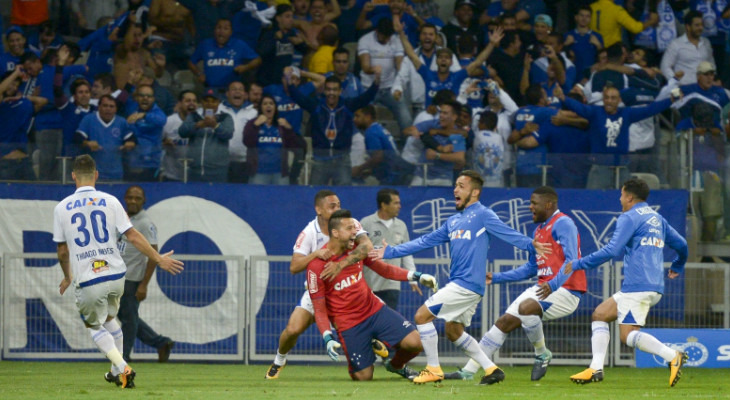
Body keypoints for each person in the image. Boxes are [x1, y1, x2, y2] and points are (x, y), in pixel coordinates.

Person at [369, 170, 549, 384]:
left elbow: (507, 233)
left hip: (466, 285)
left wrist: (530, 244)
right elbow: (425, 241)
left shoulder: (483, 215)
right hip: (466, 285)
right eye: (455, 185)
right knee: (453, 331)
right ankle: (492, 369)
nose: (455, 189)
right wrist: (389, 252)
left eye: (461, 186)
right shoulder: (453, 221)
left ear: (475, 192)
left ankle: (433, 368)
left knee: (421, 316)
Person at [53, 155, 183, 389]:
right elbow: (132, 235)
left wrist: (66, 275)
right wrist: (158, 258)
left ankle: (123, 366)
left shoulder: (61, 207)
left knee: (93, 325)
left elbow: (62, 251)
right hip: (116, 276)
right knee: (111, 320)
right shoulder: (111, 201)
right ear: (96, 175)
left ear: (72, 176)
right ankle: (116, 373)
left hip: (88, 277)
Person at [445, 186, 585, 381]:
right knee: (504, 322)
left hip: (567, 290)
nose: (530, 207)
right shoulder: (539, 230)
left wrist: (553, 284)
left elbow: (571, 262)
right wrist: (496, 277)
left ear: (549, 204)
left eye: (534, 203)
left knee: (526, 308)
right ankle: (468, 372)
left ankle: (542, 353)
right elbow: (530, 268)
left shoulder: (564, 223)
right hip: (545, 288)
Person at [566, 178, 689, 387]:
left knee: (628, 336)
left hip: (638, 286)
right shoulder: (657, 218)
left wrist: (579, 263)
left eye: (622, 194)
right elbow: (682, 244)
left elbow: (612, 250)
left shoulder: (629, 217)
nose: (620, 198)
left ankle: (672, 355)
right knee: (600, 314)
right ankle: (595, 368)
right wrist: (677, 266)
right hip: (652, 286)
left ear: (629, 197)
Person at [307, 209, 437, 380]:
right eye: (349, 229)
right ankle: (368, 343)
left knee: (415, 343)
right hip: (349, 324)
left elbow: (385, 269)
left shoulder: (356, 252)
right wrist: (327, 337)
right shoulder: (317, 266)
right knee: (363, 377)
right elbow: (319, 307)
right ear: (335, 233)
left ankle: (396, 365)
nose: (355, 232)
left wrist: (416, 276)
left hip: (374, 311)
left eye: (354, 228)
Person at [266, 190, 380, 379]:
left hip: (345, 289)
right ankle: (279, 360)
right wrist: (315, 254)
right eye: (332, 206)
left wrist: (342, 263)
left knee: (359, 326)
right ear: (318, 209)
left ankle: (378, 349)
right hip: (317, 291)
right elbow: (294, 267)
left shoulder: (350, 223)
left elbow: (367, 246)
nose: (338, 209)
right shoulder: (309, 232)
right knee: (293, 329)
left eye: (338, 204)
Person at [287, 73, 379, 186]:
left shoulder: (347, 106)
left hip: (341, 160)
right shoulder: (316, 105)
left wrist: (376, 84)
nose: (331, 93)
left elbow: (365, 98)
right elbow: (299, 98)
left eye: (335, 90)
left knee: (344, 195)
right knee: (316, 195)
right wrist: (290, 83)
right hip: (320, 160)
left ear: (340, 91)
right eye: (329, 89)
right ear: (324, 91)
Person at [117, 186, 175, 362]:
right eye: (130, 197)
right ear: (125, 199)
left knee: (128, 318)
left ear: (144, 201)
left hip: (132, 278)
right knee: (127, 316)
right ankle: (161, 343)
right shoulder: (123, 218)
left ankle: (124, 356)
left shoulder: (145, 223)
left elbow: (154, 255)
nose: (133, 201)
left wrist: (143, 285)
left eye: (137, 198)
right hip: (118, 276)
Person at [360, 189, 419, 311]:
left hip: (392, 284)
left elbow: (407, 254)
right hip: (369, 284)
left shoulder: (401, 226)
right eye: (396, 203)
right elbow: (357, 252)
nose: (399, 206)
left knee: (388, 323)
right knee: (368, 322)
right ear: (384, 205)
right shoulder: (366, 223)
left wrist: (413, 278)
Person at [243, 94, 303, 185]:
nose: (268, 106)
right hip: (259, 172)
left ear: (275, 107)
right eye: (265, 104)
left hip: (280, 173)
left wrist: (289, 129)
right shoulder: (253, 123)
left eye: (271, 103)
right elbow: (247, 142)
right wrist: (255, 125)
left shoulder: (282, 125)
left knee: (281, 198)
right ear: (260, 107)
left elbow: (293, 145)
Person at [178, 88, 234, 182]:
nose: (210, 104)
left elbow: (228, 134)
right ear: (202, 102)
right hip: (194, 169)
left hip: (218, 170)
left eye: (213, 101)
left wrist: (215, 126)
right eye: (206, 101)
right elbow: (182, 132)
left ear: (218, 102)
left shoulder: (225, 117)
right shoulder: (194, 116)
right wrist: (197, 125)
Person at [188, 18, 261, 90]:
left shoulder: (239, 45)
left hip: (232, 90)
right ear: (214, 30)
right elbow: (191, 62)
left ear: (231, 32)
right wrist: (199, 74)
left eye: (226, 28)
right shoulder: (205, 44)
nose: (221, 31)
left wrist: (245, 67)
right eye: (219, 28)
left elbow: (257, 60)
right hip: (210, 89)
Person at [75, 95, 136, 181]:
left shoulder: (121, 122)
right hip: (93, 174)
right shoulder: (89, 119)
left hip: (116, 173)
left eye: (111, 106)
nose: (108, 109)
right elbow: (78, 137)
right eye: (105, 105)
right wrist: (87, 143)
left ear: (116, 109)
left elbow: (132, 139)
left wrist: (130, 144)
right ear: (99, 107)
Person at [660, 11, 715, 85]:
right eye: (697, 25)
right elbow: (665, 67)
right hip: (685, 88)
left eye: (702, 25)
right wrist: (676, 82)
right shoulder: (676, 44)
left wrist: (711, 80)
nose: (700, 28)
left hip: (704, 88)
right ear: (688, 27)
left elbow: (711, 64)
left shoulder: (706, 42)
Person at [126, 84, 166, 181]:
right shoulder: (132, 109)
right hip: (133, 161)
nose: (145, 98)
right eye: (142, 95)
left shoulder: (157, 112)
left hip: (151, 164)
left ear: (153, 99)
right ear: (137, 98)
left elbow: (162, 120)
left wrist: (144, 115)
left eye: (149, 96)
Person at [161, 90, 196, 182]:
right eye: (188, 101)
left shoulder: (200, 122)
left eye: (194, 101)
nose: (191, 104)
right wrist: (164, 143)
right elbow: (158, 143)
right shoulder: (169, 121)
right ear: (180, 103)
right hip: (171, 175)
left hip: (194, 176)